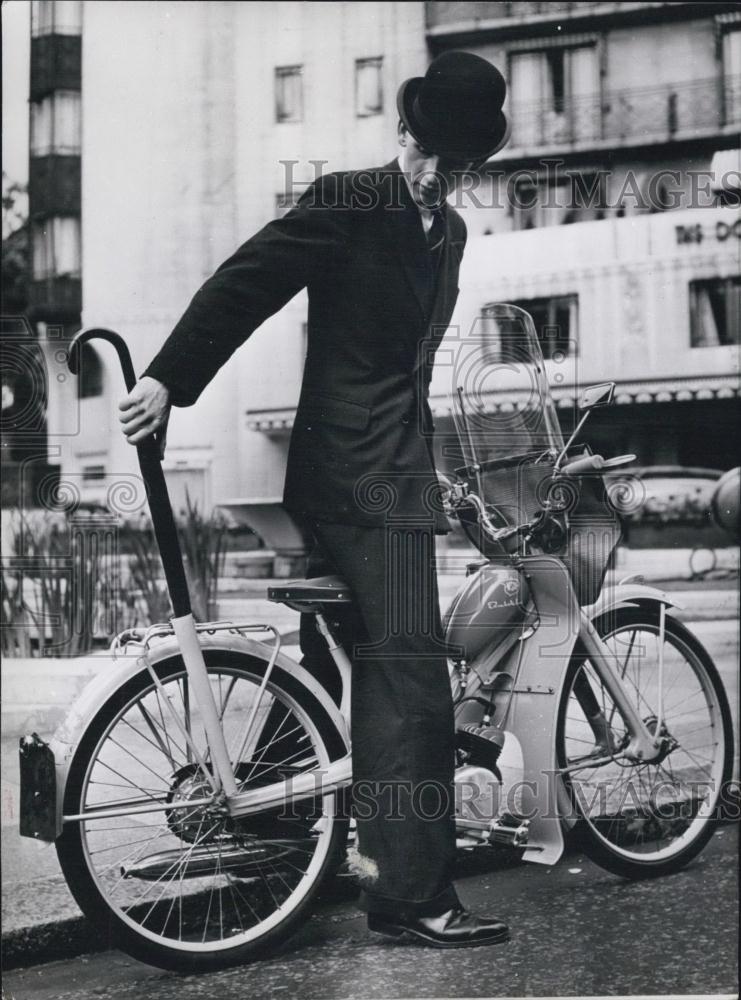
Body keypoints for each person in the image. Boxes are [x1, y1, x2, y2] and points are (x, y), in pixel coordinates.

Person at [119, 50, 512, 948]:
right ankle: (414, 897)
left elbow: (408, 371)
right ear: (404, 131)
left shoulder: (446, 234)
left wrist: (434, 466)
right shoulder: (347, 201)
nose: (430, 173)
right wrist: (169, 382)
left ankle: (280, 835)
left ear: (466, 167)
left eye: (451, 165)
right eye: (425, 150)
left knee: (335, 668)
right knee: (410, 676)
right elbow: (247, 281)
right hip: (348, 477)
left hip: (392, 473)